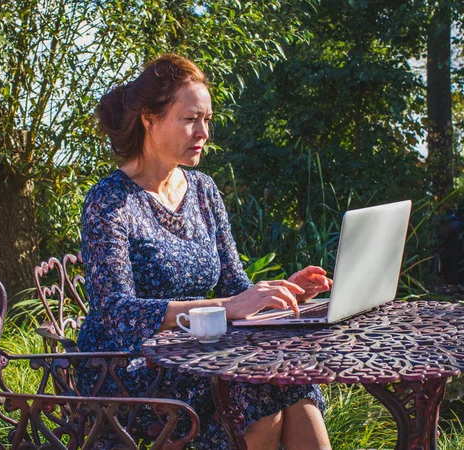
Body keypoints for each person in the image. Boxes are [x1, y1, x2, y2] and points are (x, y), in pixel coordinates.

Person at [77, 53, 333, 449]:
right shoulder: (108, 201)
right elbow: (116, 313)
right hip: (129, 369)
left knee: (289, 378)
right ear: (149, 117)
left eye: (207, 120)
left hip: (201, 355)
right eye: (190, 119)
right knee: (258, 391)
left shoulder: (203, 191)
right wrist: (224, 307)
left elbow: (235, 285)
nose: (204, 132)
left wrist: (280, 296)